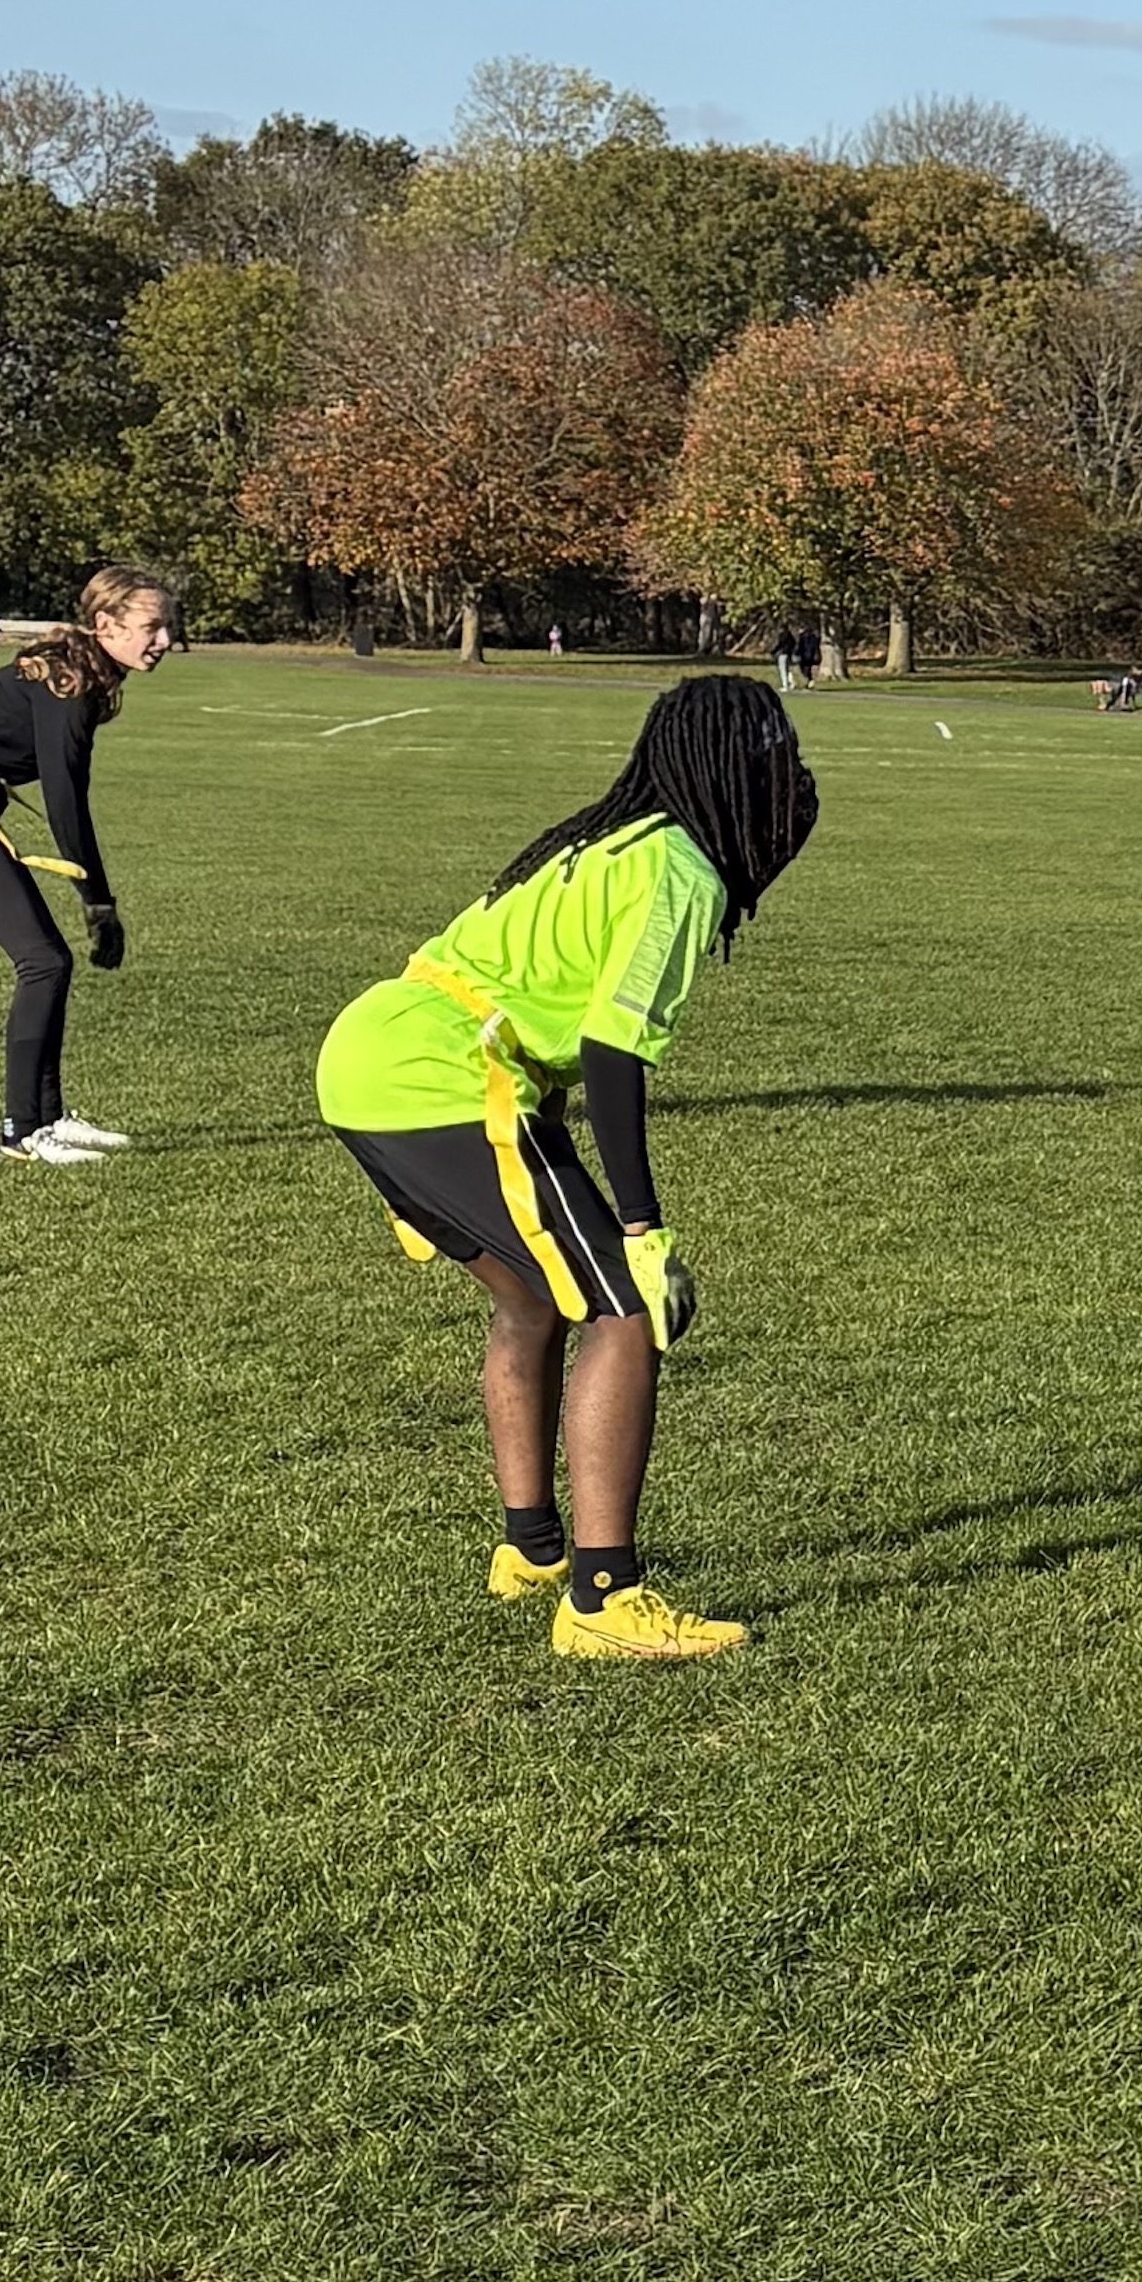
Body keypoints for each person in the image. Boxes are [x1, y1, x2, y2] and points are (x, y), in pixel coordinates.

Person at [314, 670, 819, 1665]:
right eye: (777, 757)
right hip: (439, 1077)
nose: (790, 779)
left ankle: (533, 1551)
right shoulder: (678, 866)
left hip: (375, 1056)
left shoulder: (613, 832)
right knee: (622, 1311)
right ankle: (603, 1595)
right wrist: (642, 1227)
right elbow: (612, 1052)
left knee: (534, 1303)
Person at [0, 568, 175, 1164]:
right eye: (151, 626)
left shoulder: (81, 671)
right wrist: (97, 901)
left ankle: (48, 1117)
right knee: (43, 960)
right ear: (107, 625)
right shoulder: (70, 682)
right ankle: (21, 1131)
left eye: (167, 626)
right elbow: (65, 800)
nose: (164, 641)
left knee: (50, 961)